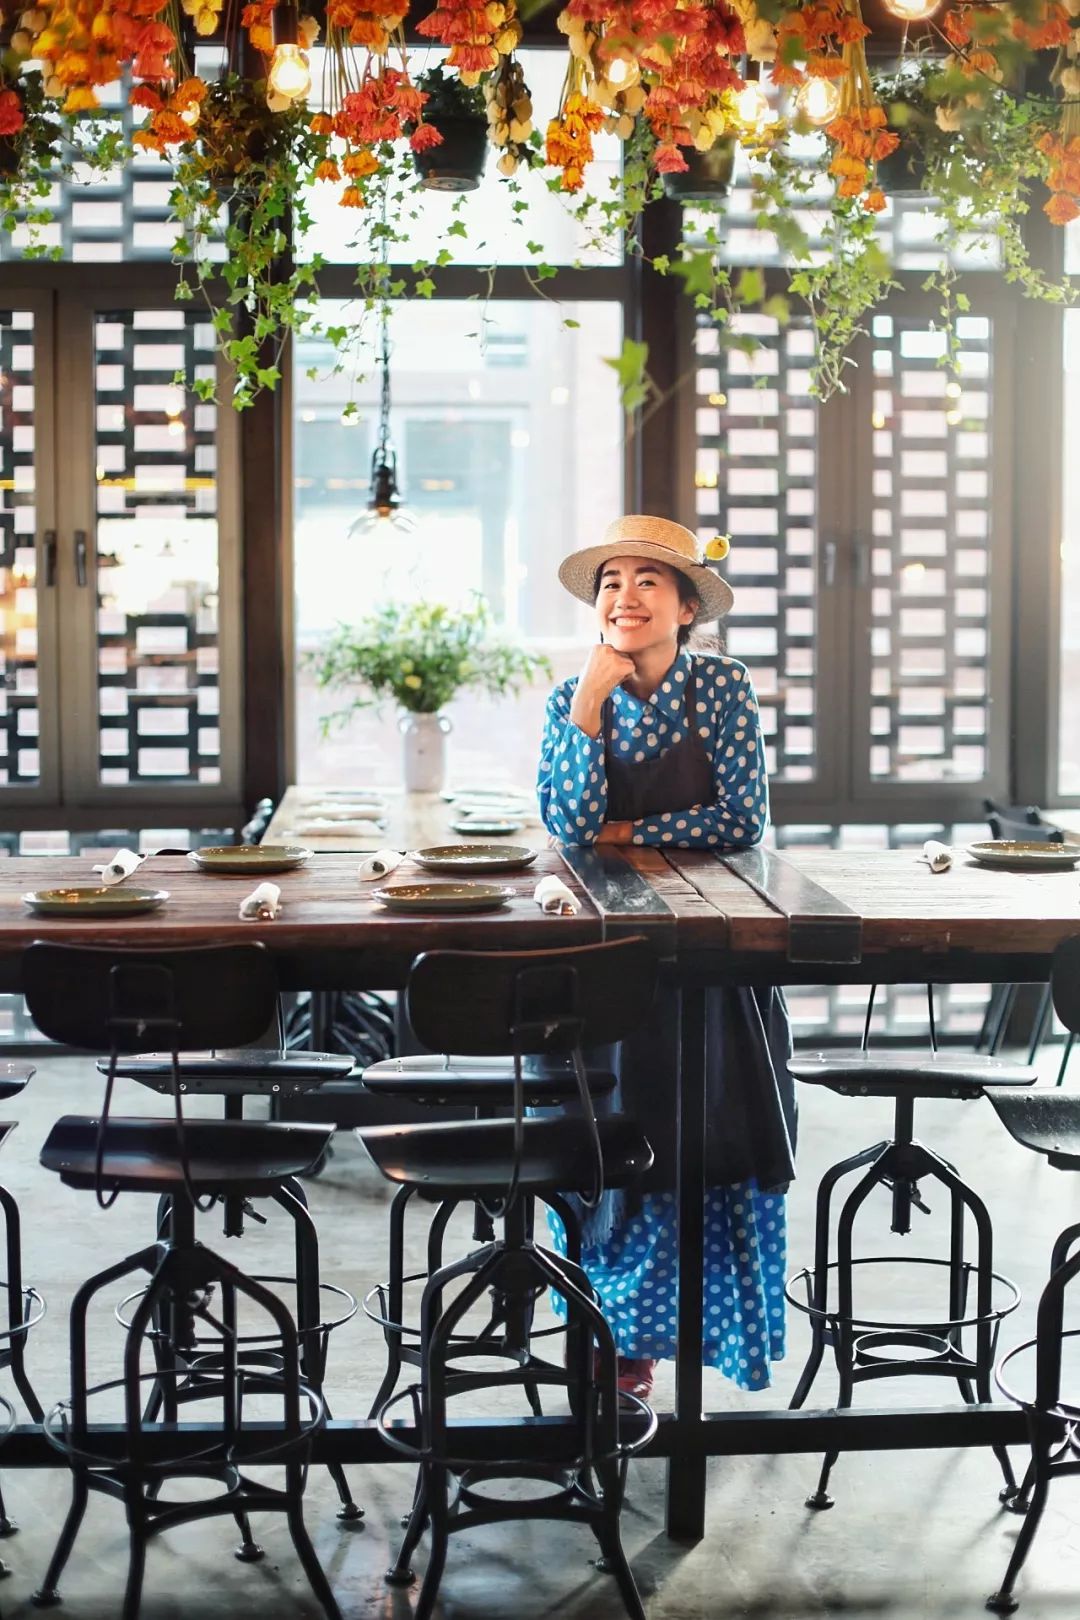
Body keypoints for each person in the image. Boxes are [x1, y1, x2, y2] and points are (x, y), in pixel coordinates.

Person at [536, 514, 794, 1399]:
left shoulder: (719, 685)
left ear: (688, 608)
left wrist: (632, 830)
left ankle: (688, 1336)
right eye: (612, 581)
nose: (626, 596)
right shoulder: (572, 696)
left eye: (649, 582)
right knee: (609, 1150)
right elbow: (567, 828)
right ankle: (614, 1346)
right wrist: (588, 702)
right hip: (604, 954)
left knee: (704, 1144)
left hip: (711, 953)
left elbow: (740, 819)